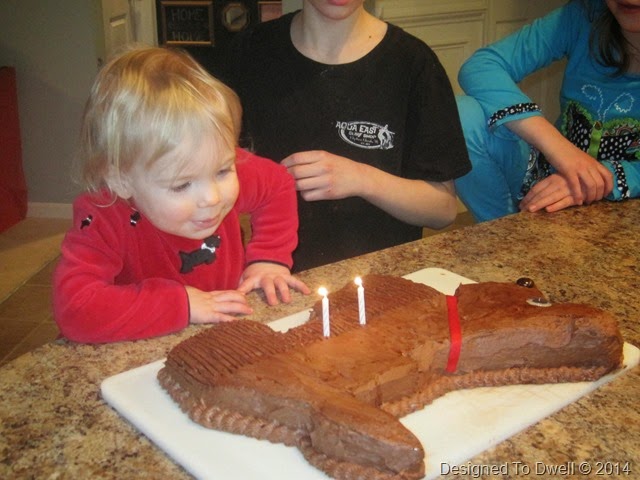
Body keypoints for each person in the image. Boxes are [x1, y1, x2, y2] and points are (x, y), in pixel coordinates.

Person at [53, 46, 310, 343]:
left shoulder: (205, 165)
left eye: (223, 171)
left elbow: (277, 184)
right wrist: (181, 305)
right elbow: (76, 308)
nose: (212, 198)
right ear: (121, 180)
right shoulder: (102, 219)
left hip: (219, 337)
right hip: (139, 351)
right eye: (181, 185)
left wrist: (269, 258)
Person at [216, 0, 471, 272]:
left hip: (384, 279)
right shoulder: (250, 52)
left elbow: (443, 209)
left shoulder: (413, 63)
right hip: (276, 280)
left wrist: (361, 178)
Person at [454, 0, 640, 222]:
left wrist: (596, 179)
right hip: (550, 178)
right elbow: (481, 66)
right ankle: (499, 232)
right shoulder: (584, 15)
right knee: (461, 115)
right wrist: (560, 150)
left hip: (624, 211)